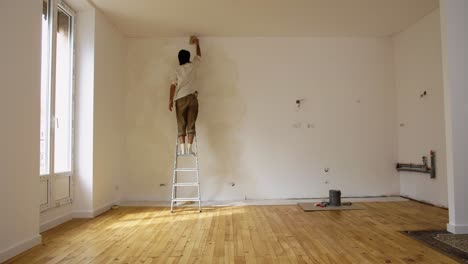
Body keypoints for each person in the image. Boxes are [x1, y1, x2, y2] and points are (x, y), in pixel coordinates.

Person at [168, 36, 201, 155]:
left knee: (181, 123)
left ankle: (182, 151)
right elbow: (198, 56)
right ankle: (189, 149)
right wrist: (197, 43)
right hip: (192, 98)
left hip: (180, 99)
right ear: (188, 58)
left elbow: (172, 86)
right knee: (191, 123)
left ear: (179, 59)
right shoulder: (193, 66)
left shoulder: (177, 70)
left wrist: (170, 100)